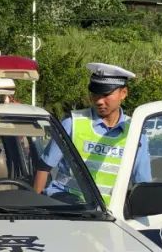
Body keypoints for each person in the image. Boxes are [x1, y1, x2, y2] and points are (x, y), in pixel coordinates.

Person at [33, 62, 151, 206]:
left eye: (106, 94)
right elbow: (44, 167)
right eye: (95, 94)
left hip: (110, 216)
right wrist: (35, 208)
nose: (99, 101)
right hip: (66, 208)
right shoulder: (72, 123)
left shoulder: (135, 132)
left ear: (123, 93)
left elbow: (143, 183)